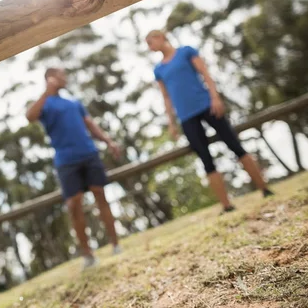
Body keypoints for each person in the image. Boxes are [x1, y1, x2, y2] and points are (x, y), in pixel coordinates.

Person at [145, 30, 273, 213]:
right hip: (187, 118)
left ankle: (265, 189)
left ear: (160, 37)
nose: (150, 47)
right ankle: (226, 205)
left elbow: (205, 74)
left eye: (150, 42)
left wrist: (215, 98)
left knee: (235, 146)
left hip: (207, 106)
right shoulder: (158, 70)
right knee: (206, 160)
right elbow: (166, 97)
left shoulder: (186, 52)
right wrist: (172, 123)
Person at [26, 67, 122, 269]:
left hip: (89, 153)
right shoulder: (44, 104)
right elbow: (30, 116)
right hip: (66, 160)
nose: (65, 78)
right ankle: (87, 255)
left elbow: (90, 125)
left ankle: (115, 244)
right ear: (50, 78)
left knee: (100, 195)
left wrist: (108, 141)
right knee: (74, 205)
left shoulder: (73, 103)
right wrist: (45, 91)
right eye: (61, 76)